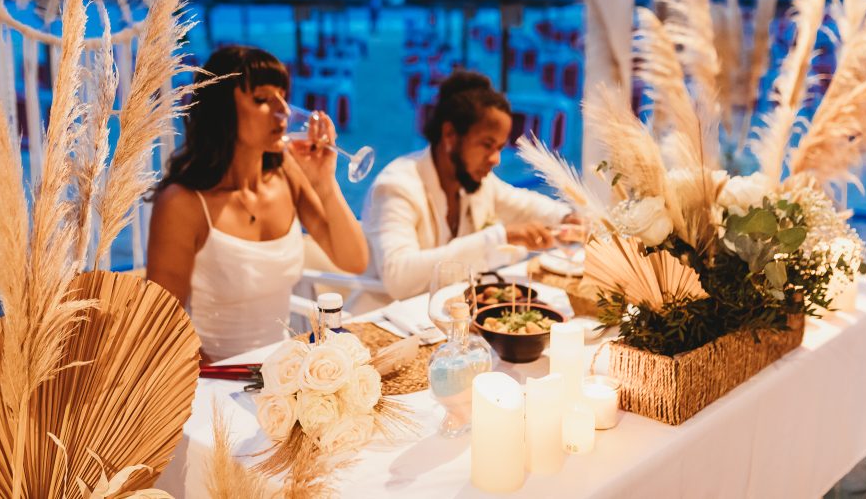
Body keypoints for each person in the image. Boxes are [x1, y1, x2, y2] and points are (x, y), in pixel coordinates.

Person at [147, 46, 368, 362]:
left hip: (286, 369)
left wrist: (325, 183)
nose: (284, 111)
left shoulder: (287, 174)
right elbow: (161, 328)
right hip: (216, 376)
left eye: (283, 95)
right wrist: (223, 380)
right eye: (263, 100)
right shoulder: (183, 204)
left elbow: (354, 260)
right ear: (222, 109)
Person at [362, 71, 574, 300]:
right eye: (487, 145)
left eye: (500, 148)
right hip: (386, 318)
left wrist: (569, 219)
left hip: (449, 316)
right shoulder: (397, 186)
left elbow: (525, 205)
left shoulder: (475, 180)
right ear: (450, 134)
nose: (496, 159)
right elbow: (399, 279)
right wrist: (499, 237)